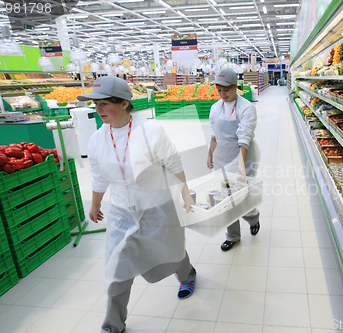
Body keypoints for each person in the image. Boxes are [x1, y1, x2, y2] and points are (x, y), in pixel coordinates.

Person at [79, 76, 197, 333]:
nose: (98, 110)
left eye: (104, 104)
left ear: (124, 103)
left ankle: (187, 274)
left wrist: (186, 194)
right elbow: (98, 176)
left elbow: (175, 166)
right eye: (95, 104)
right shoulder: (98, 139)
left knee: (170, 254)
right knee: (117, 269)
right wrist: (95, 204)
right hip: (122, 212)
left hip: (157, 206)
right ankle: (113, 325)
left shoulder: (151, 132)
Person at [207, 69, 261, 251]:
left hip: (243, 157)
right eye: (219, 90)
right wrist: (210, 153)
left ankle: (253, 217)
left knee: (240, 197)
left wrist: (241, 165)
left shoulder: (246, 108)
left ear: (235, 87)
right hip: (222, 157)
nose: (223, 95)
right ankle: (233, 236)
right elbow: (214, 133)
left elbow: (244, 137)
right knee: (225, 199)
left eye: (227, 90)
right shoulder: (215, 108)